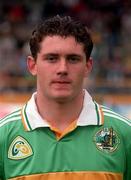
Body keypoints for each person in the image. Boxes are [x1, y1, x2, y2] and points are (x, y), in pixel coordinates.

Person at [0, 15, 131, 180]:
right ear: (32, 65)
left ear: (88, 66)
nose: (62, 69)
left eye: (73, 59)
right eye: (52, 58)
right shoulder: (3, 136)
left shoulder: (125, 134)